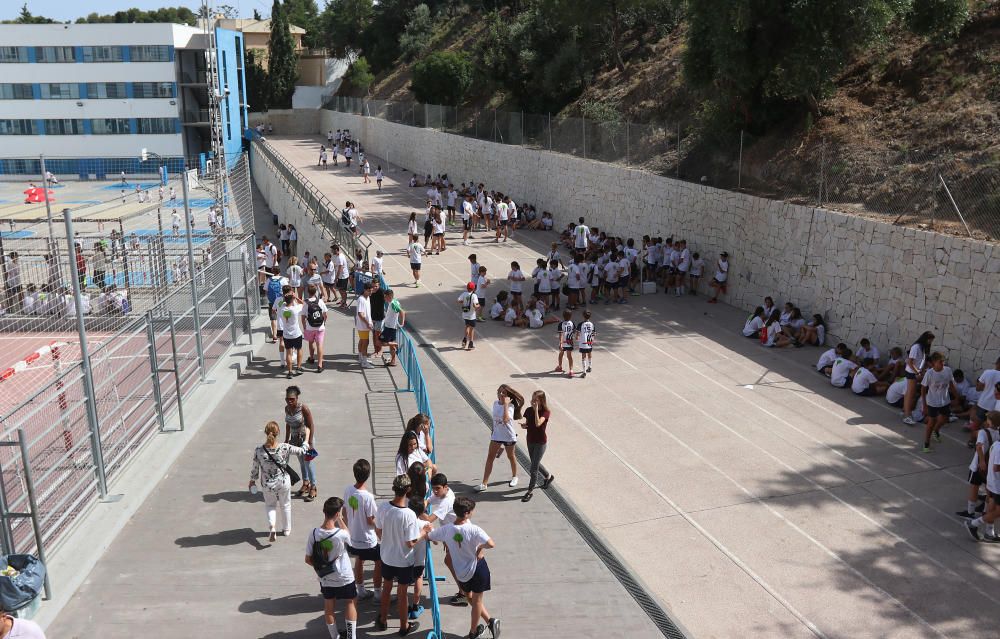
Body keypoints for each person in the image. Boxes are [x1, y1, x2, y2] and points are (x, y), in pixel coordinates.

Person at [423, 497, 499, 639]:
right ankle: (473, 632)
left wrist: (426, 529)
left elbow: (429, 536)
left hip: (461, 573)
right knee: (476, 601)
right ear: (467, 513)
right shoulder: (474, 529)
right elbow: (491, 544)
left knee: (470, 597)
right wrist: (480, 548)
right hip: (478, 569)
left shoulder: (446, 530)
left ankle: (490, 621)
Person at [305, 497, 358, 639]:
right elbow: (349, 536)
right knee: (350, 602)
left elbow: (308, 559)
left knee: (329, 607)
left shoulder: (314, 533)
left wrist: (321, 567)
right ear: (337, 513)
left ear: (324, 511)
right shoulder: (341, 534)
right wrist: (341, 520)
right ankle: (351, 636)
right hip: (344, 576)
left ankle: (335, 637)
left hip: (326, 577)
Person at [374, 474, 421, 636]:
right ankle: (404, 626)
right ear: (408, 490)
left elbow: (378, 530)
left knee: (386, 588)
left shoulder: (382, 507)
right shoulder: (409, 515)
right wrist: (423, 532)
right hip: (403, 560)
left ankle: (383, 620)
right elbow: (411, 542)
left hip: (387, 556)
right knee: (402, 594)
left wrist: (387, 540)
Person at [250, 421, 306, 542]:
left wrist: (252, 481)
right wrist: (306, 442)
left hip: (267, 484)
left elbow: (255, 468)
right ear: (278, 433)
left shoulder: (259, 450)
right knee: (285, 505)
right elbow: (302, 451)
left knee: (270, 505)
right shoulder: (285, 447)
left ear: (266, 433)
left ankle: (272, 527)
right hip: (283, 481)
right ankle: (286, 529)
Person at [343, 459, 381, 602]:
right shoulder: (368, 497)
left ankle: (361, 590)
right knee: (379, 562)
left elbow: (345, 511)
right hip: (367, 539)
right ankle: (378, 594)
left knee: (359, 560)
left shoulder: (348, 490)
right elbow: (371, 520)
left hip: (353, 537)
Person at [476, 385, 523, 492]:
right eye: (500, 392)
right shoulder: (495, 404)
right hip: (497, 435)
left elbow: (506, 420)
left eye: (504, 393)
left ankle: (514, 476)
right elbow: (494, 419)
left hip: (508, 436)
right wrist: (493, 430)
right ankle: (484, 483)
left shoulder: (510, 406)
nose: (501, 394)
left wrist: (506, 405)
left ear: (508, 396)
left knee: (511, 456)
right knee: (490, 457)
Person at [966, 408, 1000, 543]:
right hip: (996, 483)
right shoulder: (998, 445)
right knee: (996, 510)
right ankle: (973, 523)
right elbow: (997, 466)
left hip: (992, 481)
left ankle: (989, 532)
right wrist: (981, 461)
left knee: (991, 506)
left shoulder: (992, 439)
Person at [957, 410, 998, 519]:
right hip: (990, 467)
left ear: (990, 422)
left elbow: (979, 446)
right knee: (988, 490)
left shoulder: (983, 432)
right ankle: (985, 511)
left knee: (974, 487)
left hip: (978, 466)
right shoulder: (998, 433)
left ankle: (970, 512)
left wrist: (981, 461)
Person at [284, 385, 318, 502]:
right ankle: (306, 483)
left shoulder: (304, 408)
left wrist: (310, 442)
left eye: (292, 399)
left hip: (306, 439)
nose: (290, 401)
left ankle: (313, 487)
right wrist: (286, 440)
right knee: (302, 463)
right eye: (288, 399)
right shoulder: (287, 409)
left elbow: (311, 425)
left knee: (308, 463)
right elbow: (288, 424)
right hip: (295, 440)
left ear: (297, 398)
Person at [920, 352, 957, 453]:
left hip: (945, 401)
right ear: (933, 363)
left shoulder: (948, 370)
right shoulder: (929, 373)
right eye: (940, 361)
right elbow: (923, 389)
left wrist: (957, 397)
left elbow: (951, 384)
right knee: (931, 422)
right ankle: (926, 443)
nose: (942, 363)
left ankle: (936, 431)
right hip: (932, 402)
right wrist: (924, 405)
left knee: (945, 419)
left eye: (943, 361)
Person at [521, 390, 554, 502]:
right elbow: (530, 424)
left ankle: (529, 491)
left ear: (541, 400)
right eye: (533, 398)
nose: (533, 401)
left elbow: (538, 424)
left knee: (533, 468)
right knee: (535, 462)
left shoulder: (545, 412)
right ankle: (548, 476)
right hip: (530, 440)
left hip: (540, 443)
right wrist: (525, 426)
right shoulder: (528, 410)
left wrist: (535, 410)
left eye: (536, 399)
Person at [903, 331, 935, 425]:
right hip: (912, 372)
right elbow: (910, 362)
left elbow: (922, 361)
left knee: (909, 393)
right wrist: (918, 372)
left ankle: (906, 412)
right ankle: (907, 415)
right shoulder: (916, 347)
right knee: (910, 394)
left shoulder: (923, 348)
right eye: (930, 340)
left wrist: (922, 370)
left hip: (916, 372)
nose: (930, 342)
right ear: (925, 339)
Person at [275, 288, 305, 378]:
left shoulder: (283, 308)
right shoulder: (295, 309)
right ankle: (299, 368)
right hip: (296, 334)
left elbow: (279, 305)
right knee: (299, 349)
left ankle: (289, 372)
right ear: (292, 299)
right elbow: (304, 303)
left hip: (286, 334)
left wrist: (286, 298)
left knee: (288, 352)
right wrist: (296, 297)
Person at [303, 284, 328, 372]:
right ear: (316, 292)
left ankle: (312, 358)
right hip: (320, 327)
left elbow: (303, 317)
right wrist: (324, 323)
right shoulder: (320, 301)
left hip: (310, 327)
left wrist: (304, 327)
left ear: (307, 292)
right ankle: (320, 364)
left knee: (311, 343)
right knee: (319, 345)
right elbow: (325, 314)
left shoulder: (306, 303)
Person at [377, 288, 404, 366]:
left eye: (385, 296)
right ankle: (393, 361)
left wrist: (402, 323)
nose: (384, 298)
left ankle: (395, 344)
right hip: (392, 327)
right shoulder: (395, 302)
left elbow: (402, 312)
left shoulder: (393, 303)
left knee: (379, 342)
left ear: (389, 296)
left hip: (390, 328)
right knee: (391, 347)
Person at [356, 282, 375, 369]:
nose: (370, 293)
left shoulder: (367, 298)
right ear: (364, 290)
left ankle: (361, 358)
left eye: (371, 291)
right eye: (369, 291)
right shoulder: (361, 299)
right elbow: (360, 314)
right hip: (363, 326)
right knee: (365, 343)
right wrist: (368, 323)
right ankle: (364, 362)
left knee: (362, 341)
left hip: (364, 325)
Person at [458, 282, 480, 351]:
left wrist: (464, 303)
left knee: (467, 326)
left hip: (465, 314)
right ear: (473, 289)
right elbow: (475, 305)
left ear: (467, 288)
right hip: (472, 315)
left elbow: (459, 300)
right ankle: (471, 343)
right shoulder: (474, 296)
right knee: (472, 329)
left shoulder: (464, 294)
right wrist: (478, 306)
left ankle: (464, 340)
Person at [555, 310, 576, 378]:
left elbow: (561, 335)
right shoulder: (572, 323)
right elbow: (574, 332)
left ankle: (560, 367)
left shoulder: (561, 324)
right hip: (569, 342)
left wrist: (560, 343)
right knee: (569, 356)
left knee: (561, 354)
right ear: (571, 316)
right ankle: (571, 370)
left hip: (563, 342)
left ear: (563, 316)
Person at [578, 310, 595, 376]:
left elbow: (578, 334)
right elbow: (593, 334)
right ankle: (590, 366)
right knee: (589, 354)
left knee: (583, 356)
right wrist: (592, 339)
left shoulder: (580, 324)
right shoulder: (591, 324)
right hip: (589, 342)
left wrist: (577, 337)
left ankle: (584, 371)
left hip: (583, 343)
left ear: (583, 316)